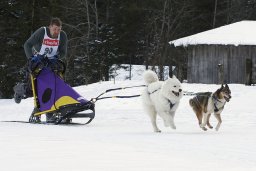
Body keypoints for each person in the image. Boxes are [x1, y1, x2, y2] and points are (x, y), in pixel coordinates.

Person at [14, 17, 68, 122]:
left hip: (51, 63)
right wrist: (31, 59)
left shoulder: (63, 36)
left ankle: (50, 111)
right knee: (32, 88)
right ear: (50, 27)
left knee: (54, 85)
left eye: (59, 29)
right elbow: (27, 45)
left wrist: (57, 57)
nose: (56, 32)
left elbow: (63, 52)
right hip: (37, 61)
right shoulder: (42, 32)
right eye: (54, 29)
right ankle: (19, 90)